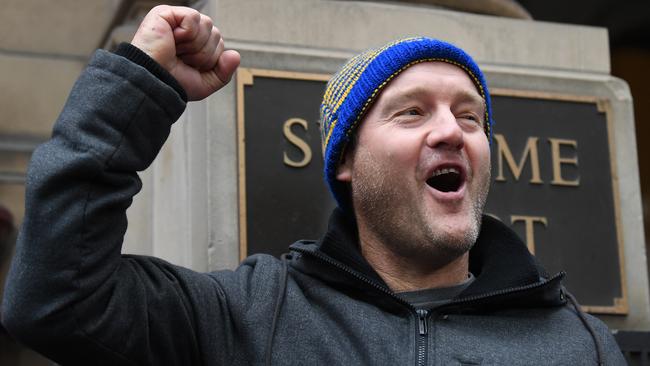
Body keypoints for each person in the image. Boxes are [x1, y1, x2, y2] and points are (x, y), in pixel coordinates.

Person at [1, 5, 625, 366]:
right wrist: (137, 88)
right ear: (346, 159)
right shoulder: (247, 316)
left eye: (470, 116)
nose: (451, 131)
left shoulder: (580, 345)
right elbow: (55, 300)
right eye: (411, 112)